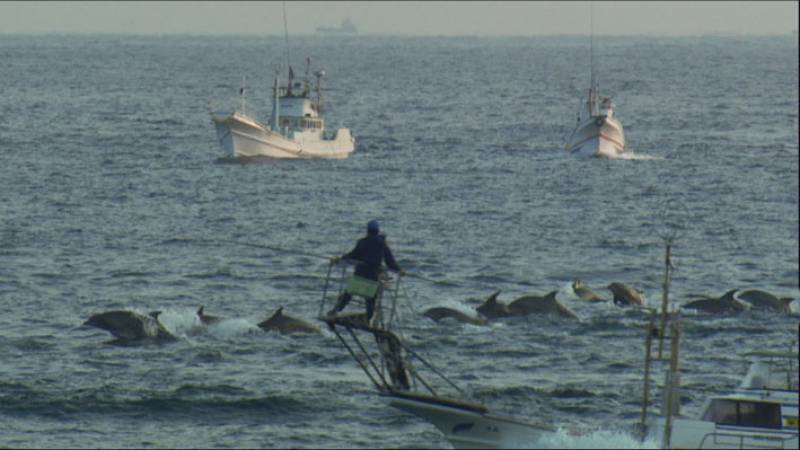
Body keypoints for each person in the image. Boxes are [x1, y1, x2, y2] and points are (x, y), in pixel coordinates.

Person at [328, 220, 404, 320]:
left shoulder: (362, 242)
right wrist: (400, 270)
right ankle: (368, 319)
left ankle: (335, 311)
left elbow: (353, 255)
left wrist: (340, 259)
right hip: (372, 277)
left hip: (360, 275)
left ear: (367, 231)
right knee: (371, 300)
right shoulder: (382, 244)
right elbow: (390, 261)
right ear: (377, 231)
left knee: (348, 294)